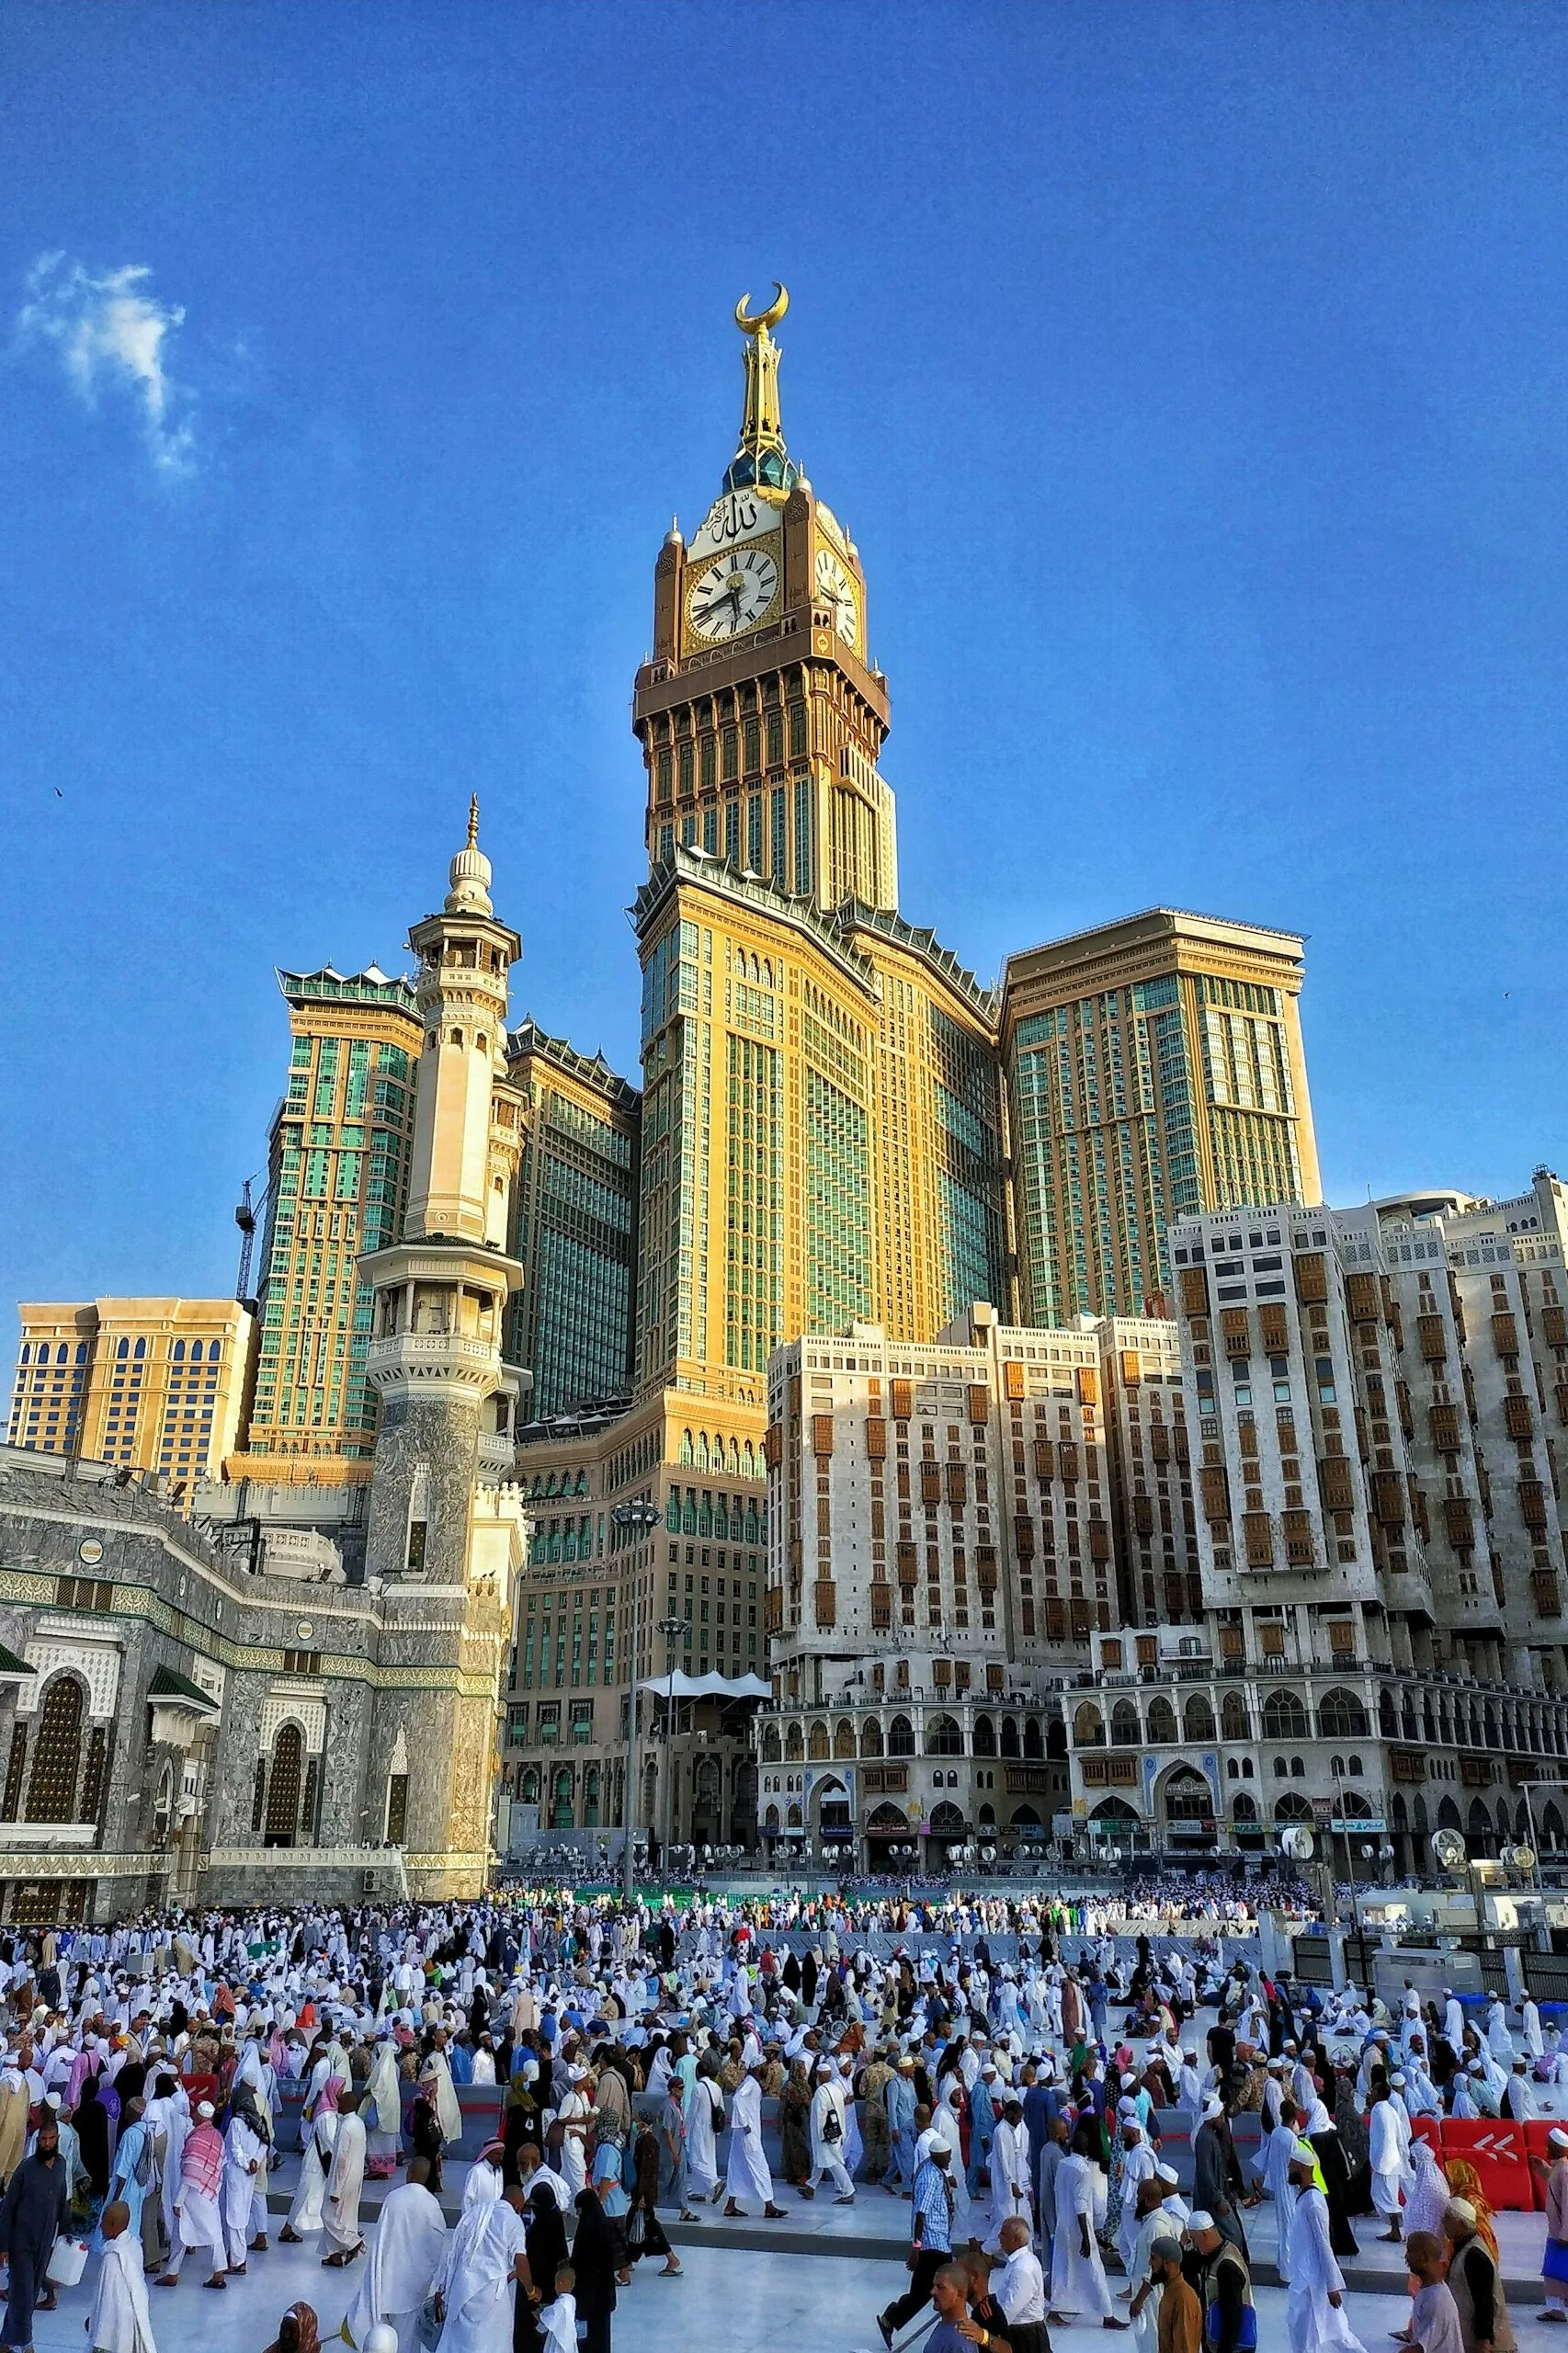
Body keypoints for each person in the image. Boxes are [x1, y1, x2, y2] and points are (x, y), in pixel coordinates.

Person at [342, 2154, 448, 2353]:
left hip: (386, 2282)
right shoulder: (432, 2205)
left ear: (410, 2173)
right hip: (413, 2287)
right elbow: (436, 2245)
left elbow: (382, 2237)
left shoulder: (394, 2198)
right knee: (407, 2341)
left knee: (379, 2339)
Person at [1286, 2142, 1365, 2353]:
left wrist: (1332, 2286)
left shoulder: (1313, 2202)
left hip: (1314, 2282)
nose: (1288, 2170)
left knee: (1340, 2335)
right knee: (1303, 2333)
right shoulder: (1304, 2197)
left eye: (1291, 2167)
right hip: (1304, 2278)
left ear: (1302, 2169)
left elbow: (1324, 2245)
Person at [878, 2131, 955, 2349]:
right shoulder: (930, 2177)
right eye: (948, 2155)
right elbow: (921, 2213)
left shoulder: (934, 2169)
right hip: (932, 2245)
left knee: (925, 2292)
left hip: (940, 2241)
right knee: (930, 2290)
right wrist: (916, 2247)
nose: (950, 2159)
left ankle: (890, 2319)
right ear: (937, 2155)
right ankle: (890, 2319)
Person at [0, 2110, 69, 2349]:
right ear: (38, 2140)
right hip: (21, 2243)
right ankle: (26, 2343)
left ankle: (5, 2342)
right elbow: (7, 2208)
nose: (46, 2143)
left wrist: (66, 2234)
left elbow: (62, 2200)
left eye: (51, 2139)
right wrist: (3, 2246)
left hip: (45, 2242)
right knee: (25, 2296)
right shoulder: (26, 2168)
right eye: (42, 2139)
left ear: (57, 2139)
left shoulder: (61, 2165)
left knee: (25, 2295)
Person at [1048, 2121, 1124, 2332]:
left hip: (1063, 2225)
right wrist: (1086, 2237)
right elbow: (1081, 2206)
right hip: (1079, 2227)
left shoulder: (1064, 2164)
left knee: (1064, 2267)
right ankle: (1107, 2315)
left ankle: (1056, 2310)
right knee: (1095, 2269)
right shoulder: (1083, 2170)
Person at [435, 2187, 529, 2353]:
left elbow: (454, 2253)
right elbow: (520, 2260)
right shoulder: (513, 2221)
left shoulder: (474, 2214)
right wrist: (531, 2289)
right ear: (516, 2205)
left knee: (460, 2341)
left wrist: (442, 2288)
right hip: (491, 2298)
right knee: (491, 2343)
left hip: (463, 2289)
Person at [162, 2099, 225, 2290]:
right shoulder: (217, 2136)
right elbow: (221, 2165)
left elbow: (190, 2174)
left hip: (193, 2194)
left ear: (199, 2116)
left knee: (183, 2233)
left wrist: (178, 2201)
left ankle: (175, 2274)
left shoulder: (196, 2138)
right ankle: (215, 2273)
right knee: (207, 2233)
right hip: (209, 2192)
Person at [1442, 2197, 1516, 2353]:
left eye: (1447, 2219)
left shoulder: (1474, 2255)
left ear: (1461, 2224)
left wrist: (1484, 2342)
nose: (1442, 2222)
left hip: (1488, 2346)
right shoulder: (1463, 2247)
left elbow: (1485, 2302)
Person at [86, 2200, 156, 2353]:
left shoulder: (112, 2258)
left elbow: (108, 2300)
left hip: (113, 2331)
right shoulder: (134, 2245)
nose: (100, 2227)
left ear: (112, 2226)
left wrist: (96, 2323)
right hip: (132, 2320)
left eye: (103, 2223)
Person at [1182, 2213, 1254, 2353]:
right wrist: (1182, 2245)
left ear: (1204, 2234)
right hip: (1217, 2341)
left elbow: (1233, 2319)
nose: (1194, 2245)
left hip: (1230, 2347)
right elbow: (1187, 2267)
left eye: (1194, 2239)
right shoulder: (1217, 2251)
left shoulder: (1226, 2266)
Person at [722, 2063, 783, 2220]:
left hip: (743, 2134)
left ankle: (730, 2206)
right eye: (764, 2066)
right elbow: (737, 2099)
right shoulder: (750, 2083)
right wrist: (744, 2123)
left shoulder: (750, 2082)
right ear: (757, 2068)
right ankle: (769, 2206)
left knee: (737, 2167)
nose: (766, 2069)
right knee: (761, 2168)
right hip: (748, 2135)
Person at [322, 2087, 368, 2268]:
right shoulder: (358, 2123)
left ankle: (352, 2243)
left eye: (340, 2101)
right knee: (345, 2218)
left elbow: (341, 2160)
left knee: (328, 2215)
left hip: (343, 2179)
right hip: (355, 2177)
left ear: (347, 2105)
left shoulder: (346, 2126)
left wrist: (336, 2189)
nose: (337, 2103)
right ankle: (335, 2256)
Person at [991, 2215, 1049, 2353]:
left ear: (1016, 2240)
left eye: (1003, 2234)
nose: (999, 2237)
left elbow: (1010, 2309)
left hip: (1025, 2334)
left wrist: (988, 2332)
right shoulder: (1020, 2261)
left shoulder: (1022, 2268)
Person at [569, 2188, 618, 2353]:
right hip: (603, 2295)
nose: (578, 2214)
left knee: (590, 2338)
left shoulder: (589, 2230)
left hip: (591, 2295)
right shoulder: (602, 2225)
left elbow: (585, 2263)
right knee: (601, 2335)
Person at [1404, 2231, 1463, 2353]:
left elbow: (1420, 2348)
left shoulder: (1436, 2300)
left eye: (1409, 2251)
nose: (1406, 2257)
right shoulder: (1429, 2291)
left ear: (1423, 2258)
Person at [1535, 2123, 1568, 2321]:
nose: (1547, 2148)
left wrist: (1565, 2233)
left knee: (1557, 2271)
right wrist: (1542, 2168)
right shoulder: (1559, 2168)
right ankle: (1556, 2308)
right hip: (1557, 2231)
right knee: (1555, 2271)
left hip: (1561, 2233)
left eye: (1550, 2145)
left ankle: (1557, 2309)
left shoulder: (1565, 2171)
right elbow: (1552, 2179)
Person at [1148, 2236, 1199, 2353]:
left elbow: (1185, 2347)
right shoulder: (1171, 2291)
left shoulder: (1183, 2299)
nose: (1150, 2263)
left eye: (1153, 2258)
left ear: (1168, 2264)